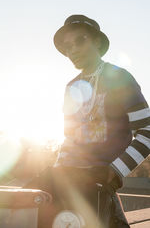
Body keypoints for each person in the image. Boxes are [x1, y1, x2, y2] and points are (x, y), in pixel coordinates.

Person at [39, 15, 150, 228]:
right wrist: (58, 170)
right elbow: (70, 138)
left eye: (79, 41)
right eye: (67, 46)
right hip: (70, 183)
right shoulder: (71, 87)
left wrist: (114, 170)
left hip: (100, 184)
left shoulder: (119, 78)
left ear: (97, 41)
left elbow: (147, 130)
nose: (72, 51)